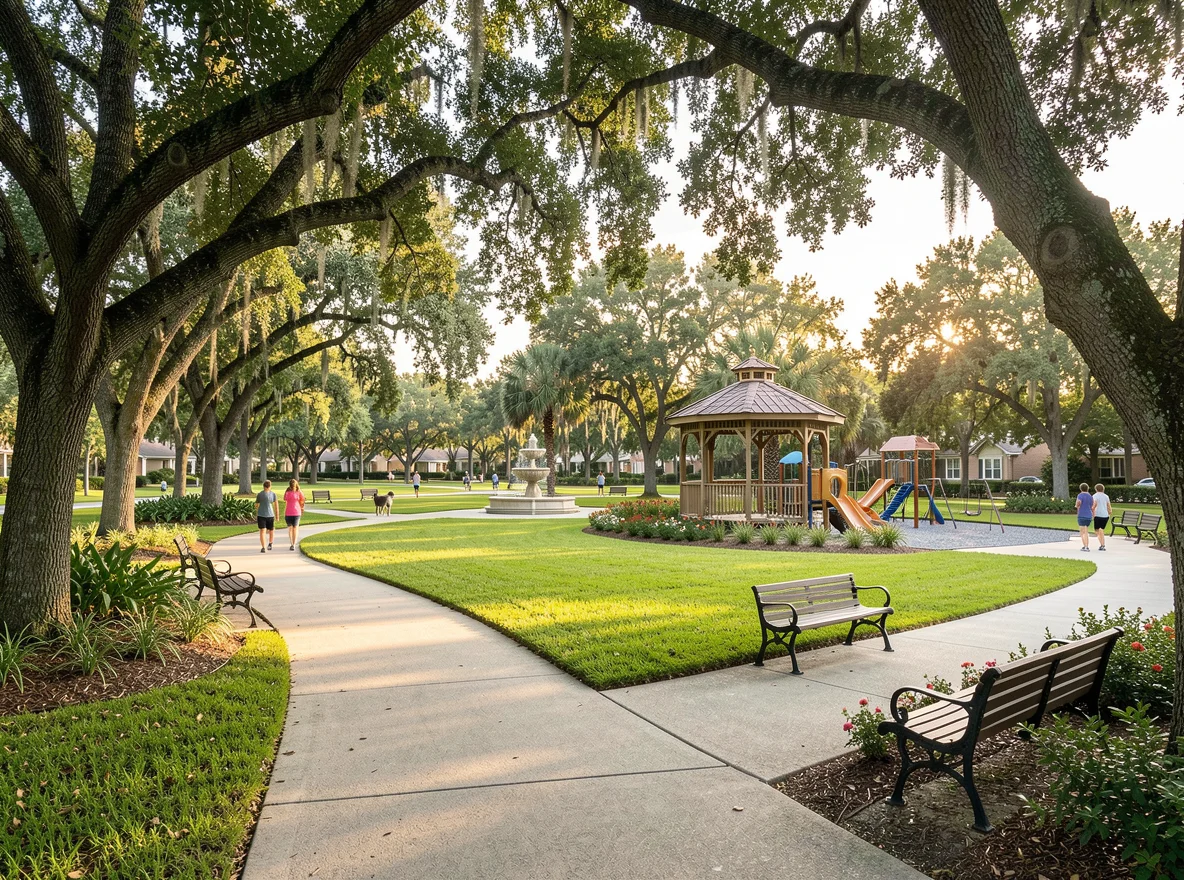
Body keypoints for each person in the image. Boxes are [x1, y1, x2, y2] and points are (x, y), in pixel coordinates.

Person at [255, 479, 278, 553]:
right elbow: (276, 506)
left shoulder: (260, 494)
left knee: (263, 531)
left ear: (263, 486)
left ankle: (263, 547)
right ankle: (269, 544)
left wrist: (257, 510)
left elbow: (256, 505)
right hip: (269, 515)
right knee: (270, 530)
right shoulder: (273, 494)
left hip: (262, 515)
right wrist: (277, 516)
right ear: (270, 486)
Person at [284, 478, 306, 551]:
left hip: (296, 512)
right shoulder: (287, 491)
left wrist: (302, 507)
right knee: (290, 528)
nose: (293, 487)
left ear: (296, 485)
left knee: (295, 528)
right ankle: (292, 543)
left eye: (293, 486)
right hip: (288, 512)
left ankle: (293, 544)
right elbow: (285, 499)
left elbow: (302, 500)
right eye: (292, 486)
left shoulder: (299, 492)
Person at [1075, 481, 1095, 551]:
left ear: (1080, 488)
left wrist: (1077, 505)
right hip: (1089, 515)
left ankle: (1085, 546)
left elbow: (1078, 502)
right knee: (1086, 530)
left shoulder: (1080, 495)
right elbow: (1092, 505)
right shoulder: (1090, 496)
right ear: (1087, 488)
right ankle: (1086, 546)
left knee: (1082, 532)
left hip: (1082, 514)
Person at [1092, 482, 1111, 551]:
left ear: (1096, 489)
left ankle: (1102, 544)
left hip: (1098, 515)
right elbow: (1108, 505)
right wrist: (1109, 512)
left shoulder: (1095, 496)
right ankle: (1102, 544)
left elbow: (1094, 505)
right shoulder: (1106, 496)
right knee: (1101, 529)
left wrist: (1092, 512)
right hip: (1105, 515)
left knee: (1097, 530)